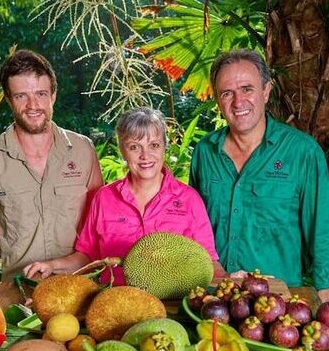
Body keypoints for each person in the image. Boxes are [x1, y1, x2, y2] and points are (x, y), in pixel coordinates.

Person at [189, 49, 329, 302]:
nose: (238, 102)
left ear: (266, 91)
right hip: (214, 300)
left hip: (278, 306)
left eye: (247, 89)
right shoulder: (205, 153)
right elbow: (193, 228)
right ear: (218, 100)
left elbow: (323, 233)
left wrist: (324, 309)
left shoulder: (302, 152)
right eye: (227, 93)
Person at [23, 107, 222, 282]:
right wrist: (52, 266)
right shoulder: (104, 198)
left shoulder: (189, 200)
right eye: (135, 147)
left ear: (164, 148)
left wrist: (232, 281)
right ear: (122, 151)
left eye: (154, 145)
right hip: (114, 303)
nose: (145, 156)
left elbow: (207, 262)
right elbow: (87, 256)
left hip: (172, 308)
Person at [0, 50, 103, 279]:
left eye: (41, 93)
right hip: (20, 284)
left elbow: (99, 212)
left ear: (53, 95)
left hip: (80, 280)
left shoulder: (83, 150)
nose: (33, 105)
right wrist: (19, 252)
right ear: (9, 99)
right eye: (21, 96)